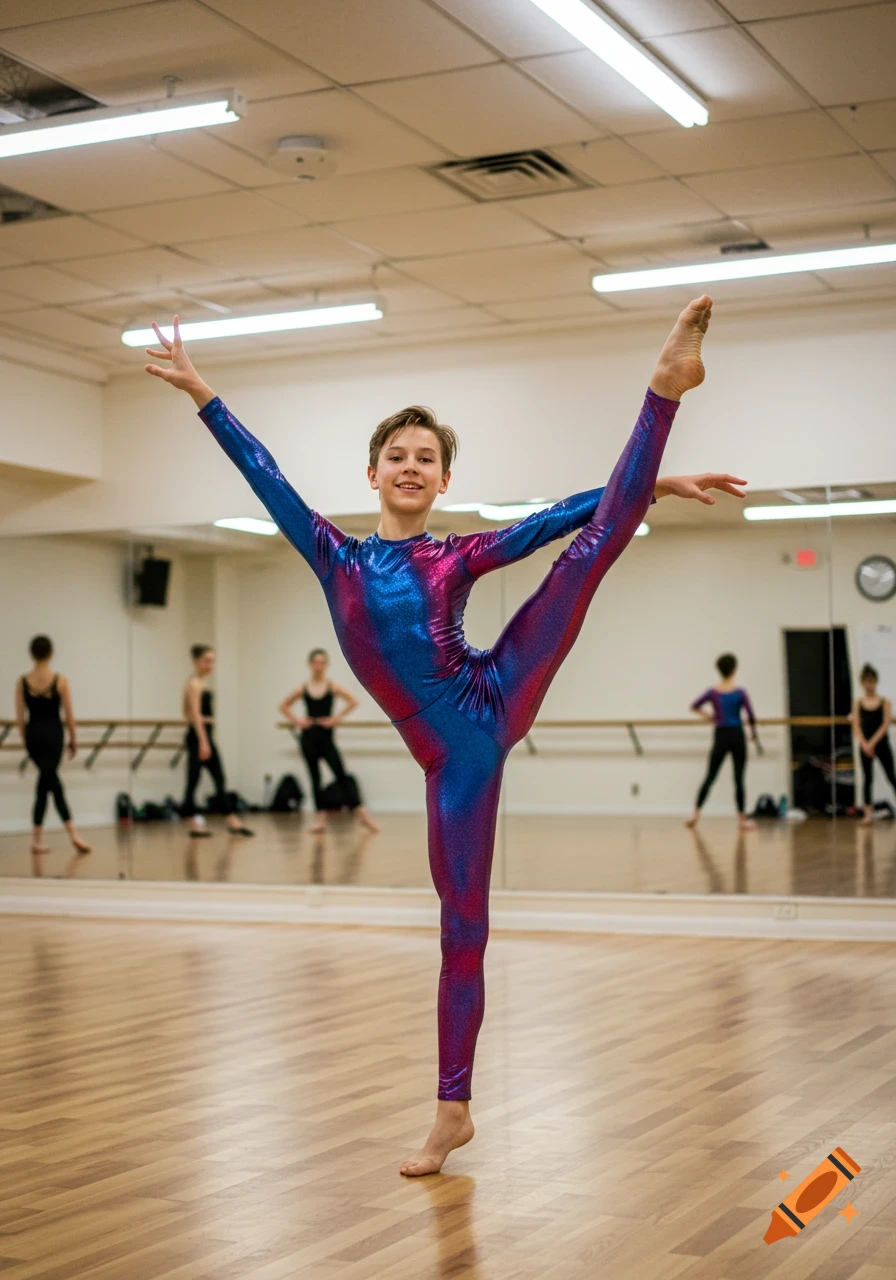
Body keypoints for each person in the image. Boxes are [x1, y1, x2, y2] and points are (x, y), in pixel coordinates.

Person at [144, 296, 744, 1175]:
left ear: (444, 480)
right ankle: (452, 1112)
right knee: (461, 929)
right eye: (399, 456)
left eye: (428, 458)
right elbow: (263, 475)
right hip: (450, 759)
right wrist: (205, 396)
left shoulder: (453, 556)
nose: (412, 466)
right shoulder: (333, 555)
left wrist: (645, 487)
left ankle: (663, 389)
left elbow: (546, 523)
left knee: (590, 552)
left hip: (490, 696)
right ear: (374, 474)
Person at [279, 647, 380, 834]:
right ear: (310, 665)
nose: (318, 665)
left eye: (322, 662)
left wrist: (336, 718)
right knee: (315, 778)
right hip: (308, 738)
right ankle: (321, 820)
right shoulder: (304, 688)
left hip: (326, 739)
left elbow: (353, 701)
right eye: (315, 662)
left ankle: (362, 814)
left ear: (326, 665)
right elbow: (284, 706)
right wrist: (298, 721)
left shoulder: (331, 686)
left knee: (341, 775)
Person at [15, 635, 91, 856]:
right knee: (51, 784)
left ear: (31, 654)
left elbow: (21, 717)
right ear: (50, 654)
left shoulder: (22, 682)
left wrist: (26, 741)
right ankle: (72, 834)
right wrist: (73, 739)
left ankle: (39, 839)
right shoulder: (60, 680)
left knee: (46, 782)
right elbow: (69, 714)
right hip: (53, 735)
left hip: (34, 736)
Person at [181, 644, 253, 838]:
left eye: (212, 660)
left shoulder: (200, 683)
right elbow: (193, 714)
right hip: (199, 737)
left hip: (203, 735)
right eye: (207, 660)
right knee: (194, 779)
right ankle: (194, 822)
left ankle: (230, 819)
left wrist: (204, 721)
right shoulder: (195, 684)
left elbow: (187, 712)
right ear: (196, 661)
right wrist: (203, 741)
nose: (210, 664)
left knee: (218, 778)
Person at [686, 653, 757, 832]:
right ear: (734, 670)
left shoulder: (713, 692)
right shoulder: (740, 692)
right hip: (737, 735)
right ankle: (742, 820)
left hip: (721, 734)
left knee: (710, 776)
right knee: (739, 778)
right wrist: (753, 734)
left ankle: (695, 814)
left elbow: (694, 706)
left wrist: (710, 716)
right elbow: (750, 715)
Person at [851, 663, 896, 826]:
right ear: (862, 683)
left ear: (876, 682)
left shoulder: (885, 701)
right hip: (865, 745)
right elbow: (856, 724)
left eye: (872, 681)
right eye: (866, 682)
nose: (869, 685)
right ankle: (868, 814)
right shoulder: (858, 702)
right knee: (867, 779)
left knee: (892, 776)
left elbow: (886, 724)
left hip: (881, 743)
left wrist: (873, 743)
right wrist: (864, 744)